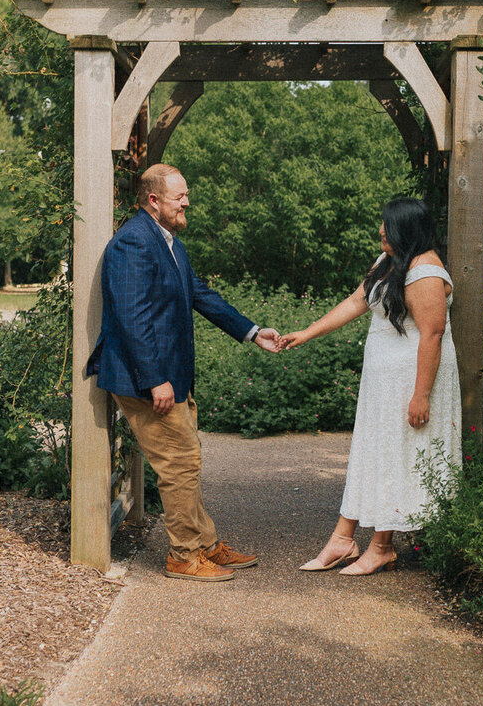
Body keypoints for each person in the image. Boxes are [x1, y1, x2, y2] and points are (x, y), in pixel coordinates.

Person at [85, 163, 282, 582]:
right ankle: (183, 555)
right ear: (154, 201)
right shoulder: (132, 243)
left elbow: (200, 295)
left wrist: (251, 331)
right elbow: (131, 317)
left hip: (169, 375)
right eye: (181, 196)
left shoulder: (169, 242)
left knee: (185, 460)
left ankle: (205, 545)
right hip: (146, 378)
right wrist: (155, 379)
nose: (188, 202)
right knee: (179, 462)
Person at [279, 198, 461, 575]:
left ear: (405, 228)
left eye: (386, 224)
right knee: (374, 452)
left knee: (397, 455)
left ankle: (381, 547)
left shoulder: (425, 270)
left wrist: (421, 394)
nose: (380, 229)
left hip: (412, 381)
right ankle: (343, 538)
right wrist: (307, 333)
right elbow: (355, 301)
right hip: (382, 384)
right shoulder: (388, 262)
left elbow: (433, 335)